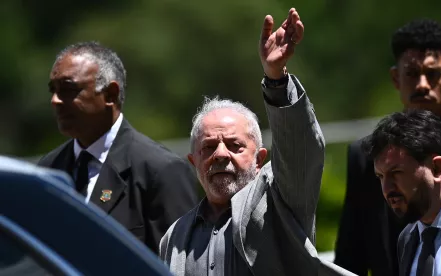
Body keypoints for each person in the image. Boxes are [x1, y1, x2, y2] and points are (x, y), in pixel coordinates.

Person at [159, 8, 355, 276]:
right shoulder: (174, 238)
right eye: (208, 148)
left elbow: (301, 151)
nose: (220, 154)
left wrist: (276, 77)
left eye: (234, 145)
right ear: (193, 161)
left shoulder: (280, 199)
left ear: (260, 158)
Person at [334, 19, 441, 276]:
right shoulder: (368, 152)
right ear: (395, 78)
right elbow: (351, 247)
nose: (422, 84)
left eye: (433, 74)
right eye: (412, 73)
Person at [38, 41, 198, 253]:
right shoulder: (48, 170)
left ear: (110, 94)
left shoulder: (161, 170)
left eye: (68, 89)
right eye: (53, 90)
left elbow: (178, 265)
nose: (55, 100)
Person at [362, 109, 441, 276]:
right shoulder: (408, 238)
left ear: (437, 168)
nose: (386, 189)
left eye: (396, 172)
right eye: (380, 176)